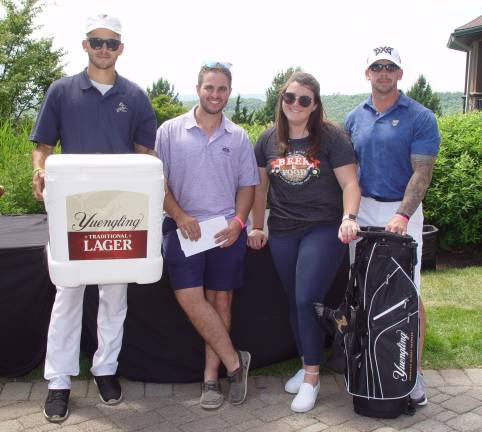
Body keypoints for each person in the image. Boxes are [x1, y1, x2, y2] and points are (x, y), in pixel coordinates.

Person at [30, 14, 157, 422]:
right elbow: (43, 145)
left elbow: (146, 156)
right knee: (67, 296)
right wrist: (39, 171)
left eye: (112, 42)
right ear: (84, 45)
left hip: (121, 213)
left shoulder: (135, 96)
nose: (104, 48)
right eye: (96, 41)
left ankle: (105, 370)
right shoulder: (61, 91)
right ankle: (59, 381)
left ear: (122, 48)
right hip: (74, 210)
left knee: (113, 297)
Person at [248, 72, 360, 413]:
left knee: (306, 298)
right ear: (281, 100)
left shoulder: (331, 137)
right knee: (293, 302)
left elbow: (350, 185)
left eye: (304, 100)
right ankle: (307, 361)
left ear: (315, 105)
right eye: (289, 98)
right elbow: (259, 189)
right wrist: (257, 226)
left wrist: (348, 218)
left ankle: (312, 378)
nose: (295, 104)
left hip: (323, 228)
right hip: (282, 230)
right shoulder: (267, 139)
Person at [155, 62, 259, 410]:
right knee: (189, 298)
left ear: (229, 92)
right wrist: (180, 215)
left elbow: (247, 185)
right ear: (198, 89)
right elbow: (159, 184)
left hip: (225, 231)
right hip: (182, 227)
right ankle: (235, 362)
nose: (215, 95)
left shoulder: (239, 136)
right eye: (209, 88)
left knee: (221, 302)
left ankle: (211, 380)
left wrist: (240, 222)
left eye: (222, 89)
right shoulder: (170, 131)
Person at [345, 46, 440, 406]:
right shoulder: (355, 117)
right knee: (365, 290)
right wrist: (349, 215)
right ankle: (372, 368)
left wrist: (401, 215)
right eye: (376, 67)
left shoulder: (420, 116)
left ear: (400, 73)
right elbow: (348, 174)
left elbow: (422, 172)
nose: (383, 73)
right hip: (364, 210)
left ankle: (410, 374)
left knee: (407, 293)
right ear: (367, 73)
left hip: (403, 211)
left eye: (390, 67)